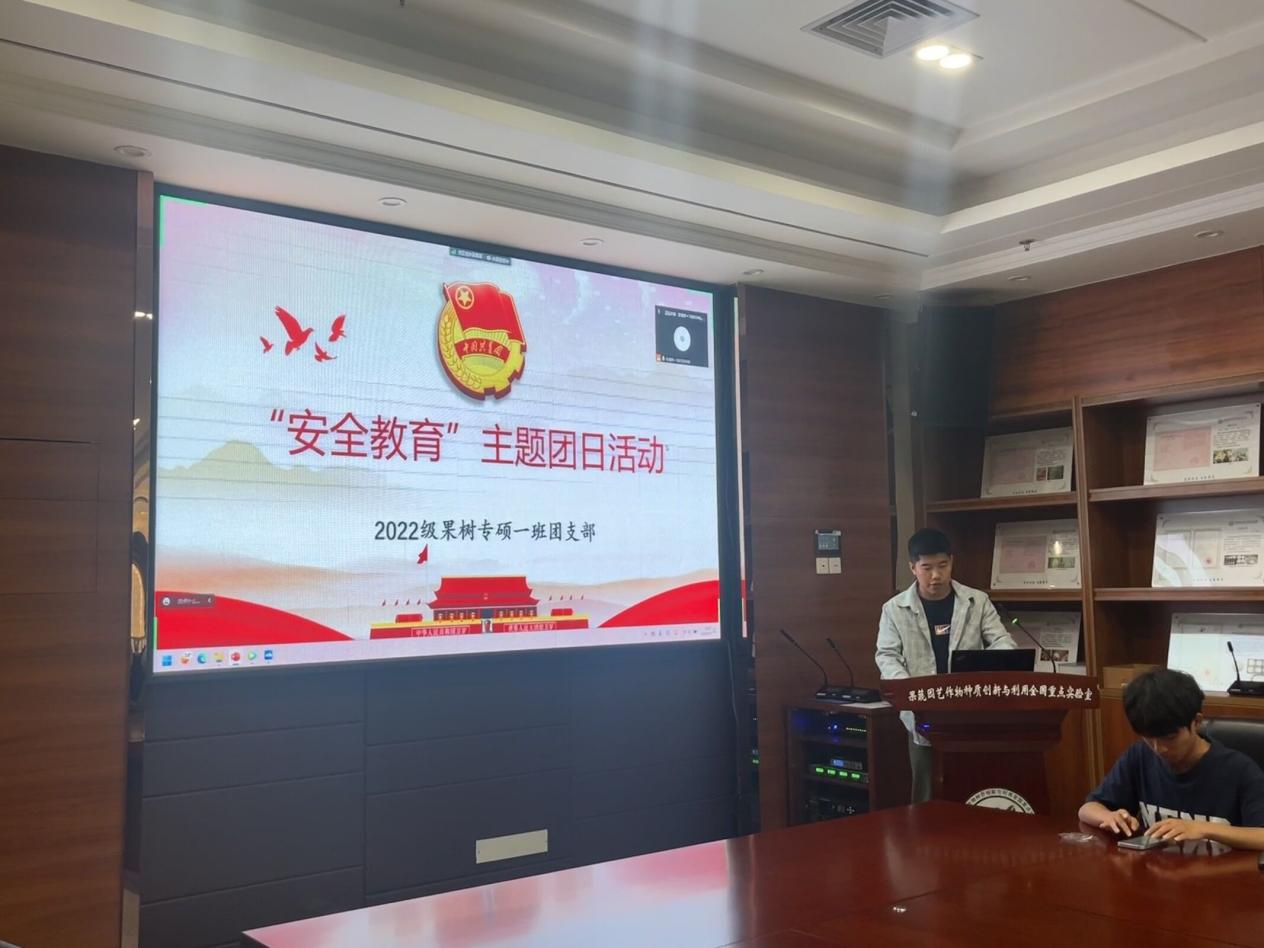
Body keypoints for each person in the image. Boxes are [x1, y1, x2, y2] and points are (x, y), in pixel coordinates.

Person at [875, 527, 1017, 804]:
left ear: (952, 561)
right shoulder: (894, 609)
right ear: (912, 568)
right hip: (922, 712)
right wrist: (909, 690)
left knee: (976, 787)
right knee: (926, 791)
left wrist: (991, 666)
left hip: (971, 711)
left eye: (942, 565)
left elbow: (1002, 641)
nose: (936, 575)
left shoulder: (976, 601)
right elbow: (887, 655)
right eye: (927, 568)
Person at [1079, 668, 1264, 850]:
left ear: (1196, 722)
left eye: (1170, 738)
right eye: (1149, 739)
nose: (1159, 749)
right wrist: (1109, 817)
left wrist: (1204, 829)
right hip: (1155, 867)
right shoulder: (1140, 756)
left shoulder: (1239, 770)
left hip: (1220, 869)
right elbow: (1087, 809)